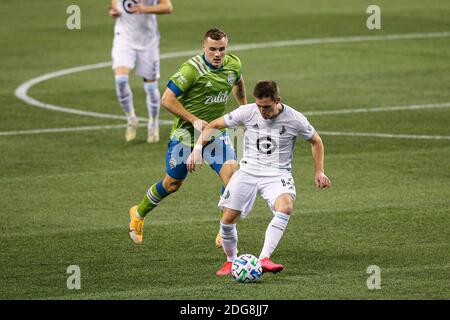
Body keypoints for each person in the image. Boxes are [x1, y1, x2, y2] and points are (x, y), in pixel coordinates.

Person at [187, 80, 331, 276]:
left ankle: (264, 258)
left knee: (285, 207)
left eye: (266, 106)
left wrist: (319, 171)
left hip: (278, 173)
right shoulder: (248, 111)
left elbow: (316, 141)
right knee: (227, 220)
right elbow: (213, 125)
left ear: (277, 100)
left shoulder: (295, 119)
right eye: (259, 106)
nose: (262, 111)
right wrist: (197, 149)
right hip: (248, 171)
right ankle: (231, 262)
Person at [128, 28, 247, 244]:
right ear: (203, 48)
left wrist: (245, 109)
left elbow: (238, 83)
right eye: (212, 49)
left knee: (232, 178)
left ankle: (225, 229)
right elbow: (167, 99)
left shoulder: (233, 64)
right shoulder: (191, 70)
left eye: (221, 49)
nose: (217, 54)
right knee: (173, 183)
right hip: (185, 135)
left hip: (215, 132)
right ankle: (138, 213)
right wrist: (193, 120)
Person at [109, 0, 173, 143]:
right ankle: (131, 118)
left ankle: (153, 123)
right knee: (120, 80)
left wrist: (145, 9)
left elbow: (168, 7)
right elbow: (114, 5)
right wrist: (113, 10)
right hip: (123, 38)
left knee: (151, 87)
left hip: (148, 41)